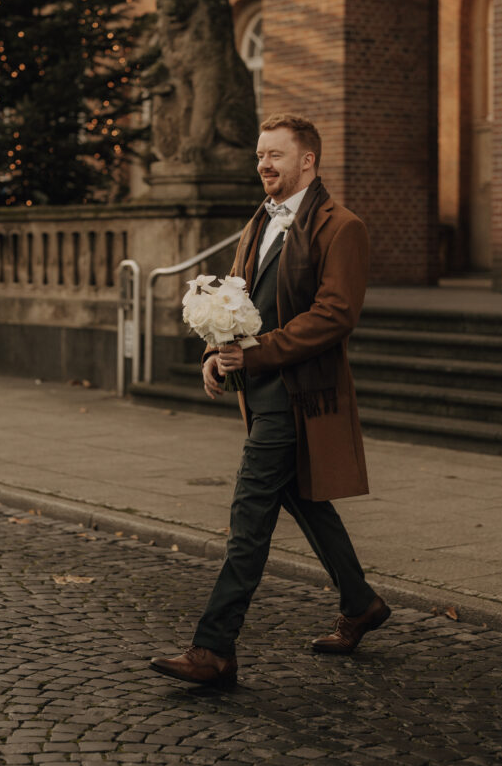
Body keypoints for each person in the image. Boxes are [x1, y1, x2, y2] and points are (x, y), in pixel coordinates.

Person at [150, 113, 390, 688]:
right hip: (259, 393)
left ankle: (214, 649)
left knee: (249, 517)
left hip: (300, 395)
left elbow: (334, 316)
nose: (263, 164)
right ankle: (360, 603)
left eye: (275, 155)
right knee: (304, 501)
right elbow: (237, 302)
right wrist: (217, 354)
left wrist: (254, 356)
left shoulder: (342, 227)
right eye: (260, 154)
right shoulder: (259, 220)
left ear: (307, 160)